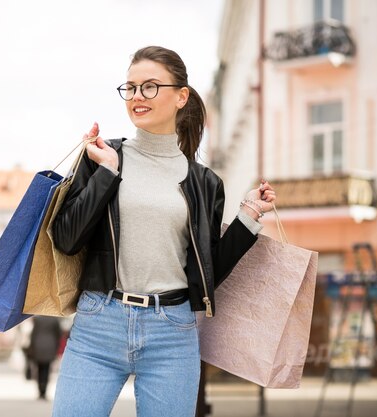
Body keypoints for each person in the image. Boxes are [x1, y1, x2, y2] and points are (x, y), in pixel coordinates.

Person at [50, 46, 277, 416]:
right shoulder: (102, 157)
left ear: (181, 96)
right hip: (98, 325)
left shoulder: (206, 183)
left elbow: (208, 273)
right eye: (131, 87)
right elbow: (66, 238)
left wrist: (249, 216)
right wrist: (106, 174)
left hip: (171, 332)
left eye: (150, 87)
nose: (138, 97)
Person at [28, 316, 62, 400]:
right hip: (50, 346)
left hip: (38, 346)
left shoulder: (37, 319)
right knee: (46, 370)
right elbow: (58, 334)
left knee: (39, 370)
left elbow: (33, 333)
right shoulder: (54, 319)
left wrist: (31, 347)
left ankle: (40, 391)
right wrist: (57, 347)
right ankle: (44, 392)